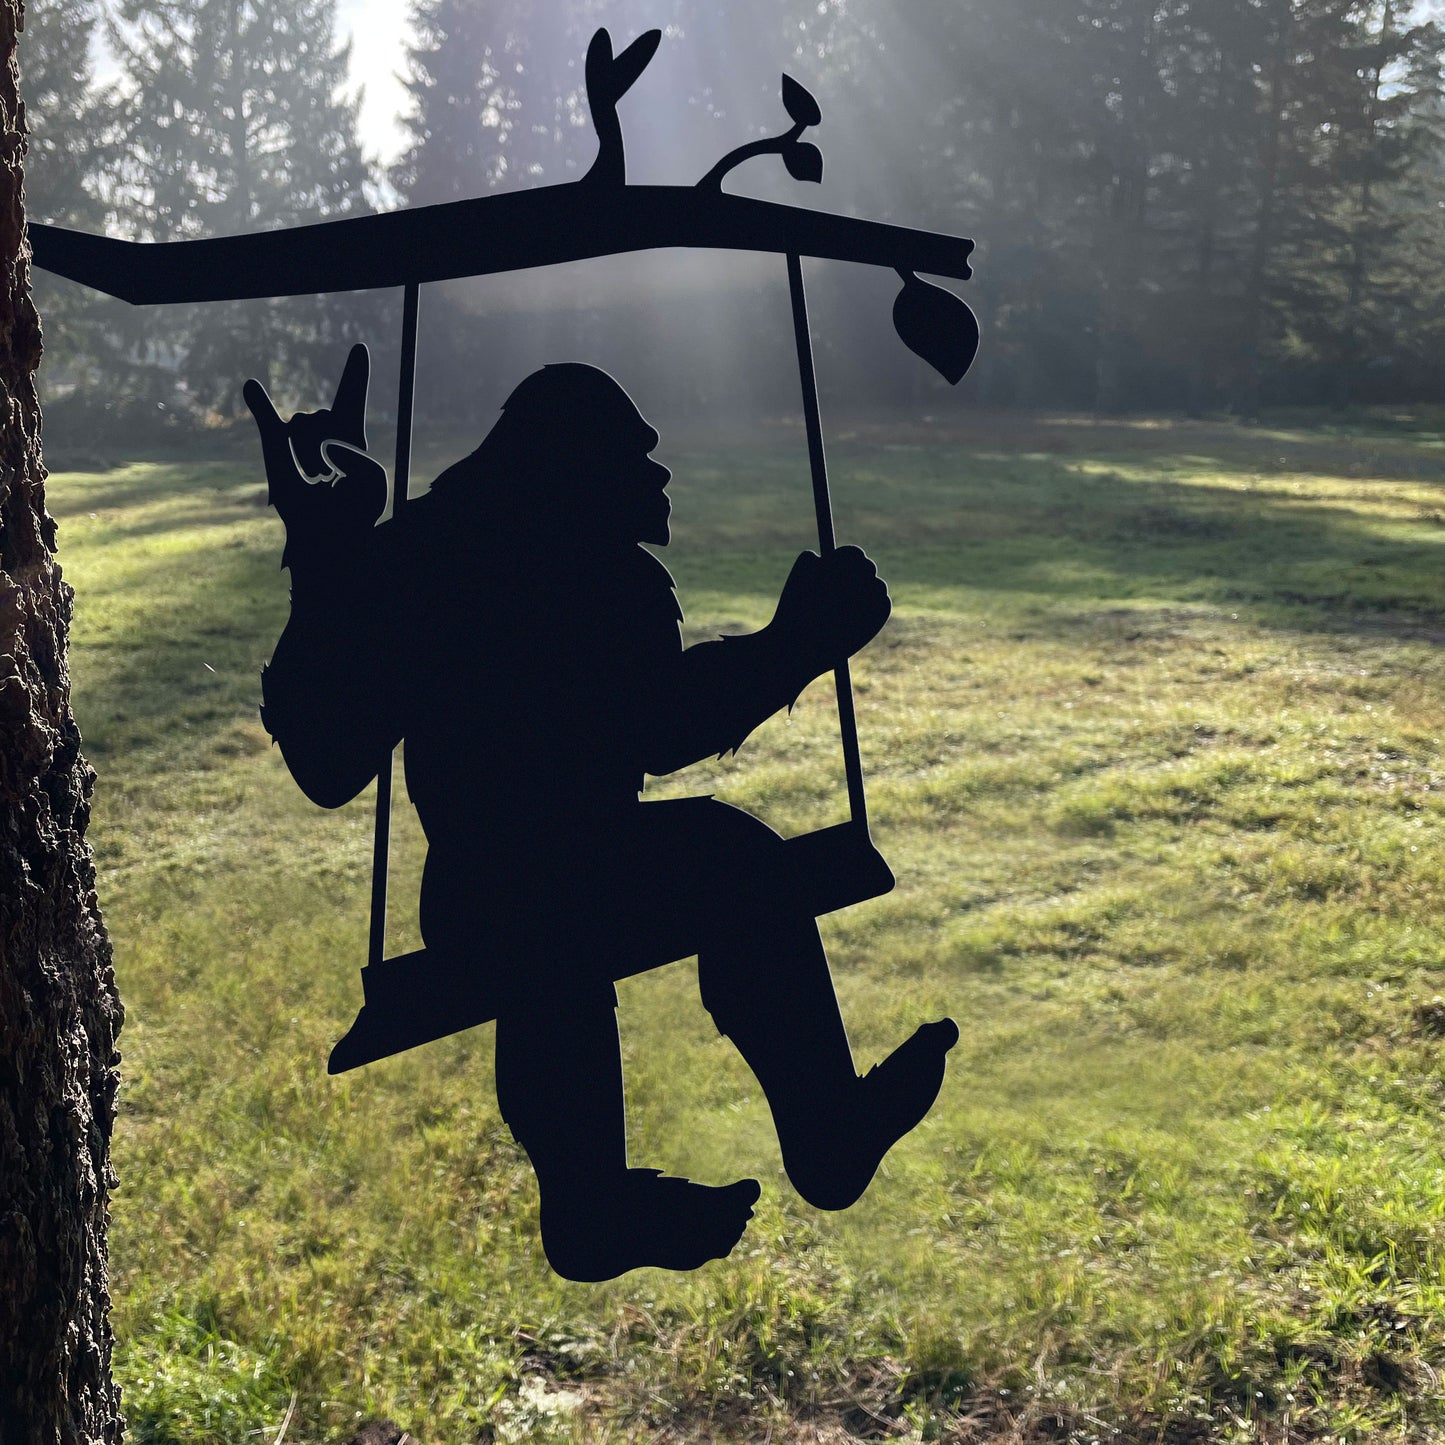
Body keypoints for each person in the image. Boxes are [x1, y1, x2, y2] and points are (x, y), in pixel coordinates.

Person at [246, 346, 958, 1281]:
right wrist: (795, 645)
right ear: (570, 470)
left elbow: (640, 719)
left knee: (713, 865)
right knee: (600, 915)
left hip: (549, 870)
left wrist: (337, 558)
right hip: (498, 887)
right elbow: (648, 723)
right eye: (634, 455)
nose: (656, 474)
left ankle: (819, 1132)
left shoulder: (455, 555)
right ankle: (610, 1197)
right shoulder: (465, 563)